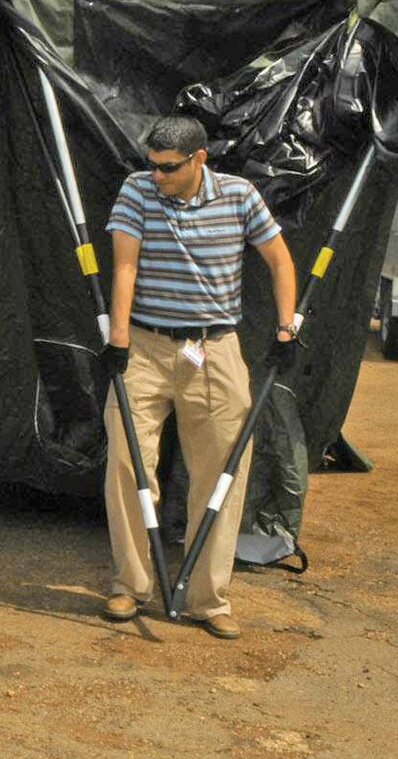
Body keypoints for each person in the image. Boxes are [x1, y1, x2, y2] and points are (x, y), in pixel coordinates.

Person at [100, 114, 298, 638]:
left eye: (168, 168)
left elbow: (279, 261)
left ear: (199, 160)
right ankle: (130, 585)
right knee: (126, 461)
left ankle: (208, 599)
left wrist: (286, 328)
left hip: (213, 348)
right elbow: (125, 266)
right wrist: (118, 339)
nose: (157, 176)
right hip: (143, 346)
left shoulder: (239, 196)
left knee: (222, 472)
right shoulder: (137, 191)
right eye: (152, 166)